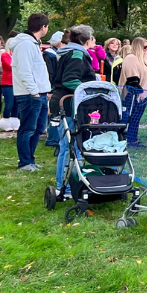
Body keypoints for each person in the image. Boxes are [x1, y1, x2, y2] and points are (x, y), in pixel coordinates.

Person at [50, 25, 97, 194]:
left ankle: (70, 183)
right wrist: (91, 91)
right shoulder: (77, 54)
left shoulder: (72, 52)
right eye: (93, 38)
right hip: (67, 104)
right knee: (69, 147)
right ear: (88, 40)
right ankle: (65, 187)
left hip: (68, 103)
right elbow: (70, 80)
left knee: (70, 147)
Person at [9, 13, 51, 171]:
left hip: (39, 93)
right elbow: (24, 71)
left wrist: (43, 91)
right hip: (29, 94)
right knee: (27, 129)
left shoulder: (33, 43)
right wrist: (34, 92)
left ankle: (30, 160)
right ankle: (25, 162)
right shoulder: (25, 44)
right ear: (43, 27)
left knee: (39, 128)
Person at [118, 36, 147, 148]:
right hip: (132, 94)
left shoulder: (142, 59)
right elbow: (132, 78)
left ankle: (133, 139)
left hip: (142, 94)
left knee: (136, 118)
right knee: (131, 116)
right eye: (145, 47)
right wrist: (139, 91)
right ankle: (129, 139)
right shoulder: (131, 58)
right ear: (138, 46)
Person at [42, 32, 64, 147]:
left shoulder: (55, 54)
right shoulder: (49, 55)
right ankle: (52, 139)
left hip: (55, 86)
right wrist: (50, 89)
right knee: (54, 113)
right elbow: (49, 73)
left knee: (55, 113)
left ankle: (54, 137)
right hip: (53, 87)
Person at [0, 34, 16, 122]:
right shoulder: (5, 54)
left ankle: (14, 121)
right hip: (7, 82)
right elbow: (9, 66)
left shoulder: (17, 54)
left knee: (16, 104)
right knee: (9, 103)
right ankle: (5, 120)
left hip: (16, 82)